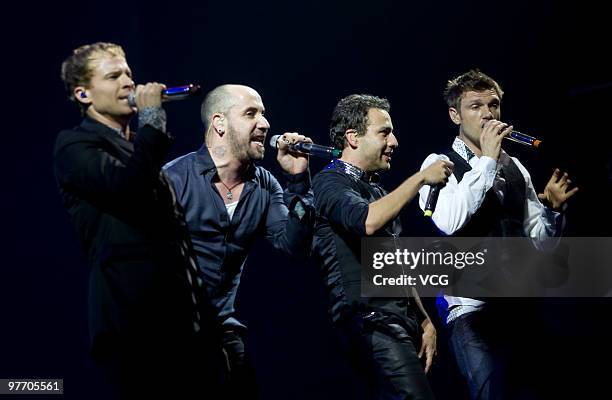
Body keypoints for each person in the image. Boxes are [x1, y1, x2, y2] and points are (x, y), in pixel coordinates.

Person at [54, 42, 220, 398]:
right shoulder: (75, 146)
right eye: (113, 75)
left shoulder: (137, 149)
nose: (128, 82)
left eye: (128, 73)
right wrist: (153, 121)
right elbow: (130, 190)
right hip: (134, 329)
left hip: (181, 329)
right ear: (83, 93)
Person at [418, 69, 578, 399]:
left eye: (493, 105)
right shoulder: (439, 163)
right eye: (475, 106)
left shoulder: (516, 168)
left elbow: (540, 244)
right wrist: (487, 161)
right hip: (472, 312)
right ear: (455, 115)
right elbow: (449, 219)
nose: (488, 114)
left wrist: (555, 212)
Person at [163, 84, 314, 399]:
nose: (265, 123)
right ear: (219, 123)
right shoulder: (175, 179)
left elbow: (294, 246)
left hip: (224, 331)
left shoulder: (265, 185)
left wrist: (298, 181)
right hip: (170, 331)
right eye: (251, 114)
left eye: (263, 114)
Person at [312, 94, 453, 399]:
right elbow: (366, 222)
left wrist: (425, 319)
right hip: (368, 322)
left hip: (398, 322)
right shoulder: (329, 182)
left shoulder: (375, 188)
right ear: (353, 137)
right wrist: (420, 178)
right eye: (384, 132)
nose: (395, 142)